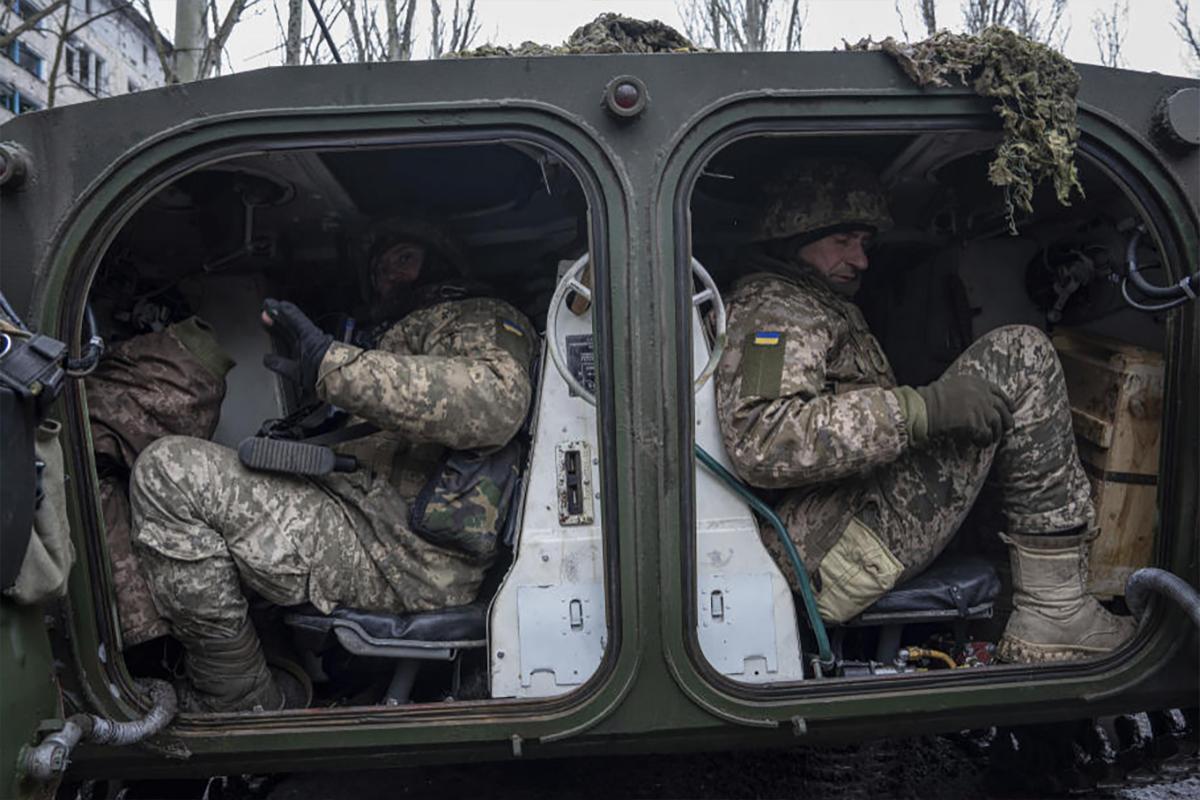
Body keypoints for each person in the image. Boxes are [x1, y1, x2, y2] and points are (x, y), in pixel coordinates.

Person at [715, 157, 1134, 663]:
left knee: (990, 413)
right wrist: (918, 410)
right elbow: (762, 438)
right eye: (844, 240)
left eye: (865, 244)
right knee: (1019, 354)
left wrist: (926, 410)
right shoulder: (774, 311)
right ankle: (1056, 609)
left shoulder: (810, 303)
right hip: (833, 549)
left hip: (840, 529)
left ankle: (1030, 601)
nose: (861, 259)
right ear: (793, 236)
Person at [130, 221, 535, 712]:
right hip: (366, 524)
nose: (390, 275)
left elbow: (494, 403)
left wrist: (333, 365)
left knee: (171, 472)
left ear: (443, 261)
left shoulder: (480, 315)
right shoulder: (394, 336)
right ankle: (271, 676)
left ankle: (238, 705)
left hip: (406, 556)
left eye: (405, 257)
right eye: (381, 269)